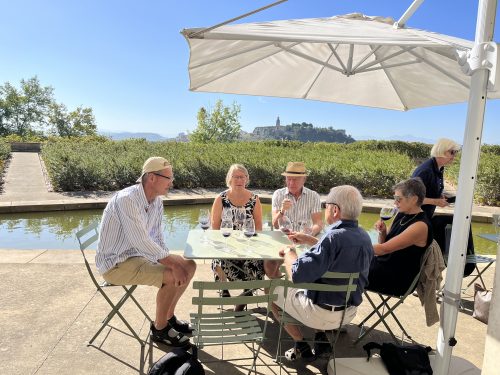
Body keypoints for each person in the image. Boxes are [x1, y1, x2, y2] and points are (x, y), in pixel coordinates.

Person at [96, 157, 196, 347]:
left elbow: (156, 237)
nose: (172, 182)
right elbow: (140, 240)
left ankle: (169, 318)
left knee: (189, 265)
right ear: (151, 178)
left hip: (136, 256)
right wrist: (172, 264)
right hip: (115, 264)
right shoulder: (127, 200)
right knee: (173, 274)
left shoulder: (156, 201)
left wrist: (174, 261)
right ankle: (159, 329)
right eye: (168, 177)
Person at [272, 185, 373, 361]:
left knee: (271, 289)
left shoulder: (332, 237)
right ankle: (320, 337)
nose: (324, 208)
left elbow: (296, 275)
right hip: (348, 312)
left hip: (319, 313)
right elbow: (339, 250)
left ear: (335, 210)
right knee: (321, 283)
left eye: (326, 205)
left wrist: (289, 252)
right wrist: (312, 240)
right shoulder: (363, 236)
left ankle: (300, 342)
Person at [210, 164, 263, 311]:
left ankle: (243, 299)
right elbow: (214, 228)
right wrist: (225, 243)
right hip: (226, 245)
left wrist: (251, 243)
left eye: (242, 176)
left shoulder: (254, 199)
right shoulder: (221, 199)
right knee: (218, 260)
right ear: (229, 179)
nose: (239, 179)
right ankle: (224, 288)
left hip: (248, 245)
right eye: (236, 176)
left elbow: (258, 228)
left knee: (259, 266)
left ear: (246, 179)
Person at [367, 177, 433, 296]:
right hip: (383, 266)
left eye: (398, 199)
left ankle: (340, 309)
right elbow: (384, 245)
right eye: (395, 199)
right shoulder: (401, 215)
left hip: (396, 277)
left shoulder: (420, 225)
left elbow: (383, 249)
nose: (395, 203)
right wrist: (383, 232)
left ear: (414, 199)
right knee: (347, 266)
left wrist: (352, 248)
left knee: (347, 269)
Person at [266, 161, 323, 278]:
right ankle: (279, 288)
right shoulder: (278, 194)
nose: (291, 183)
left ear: (304, 179)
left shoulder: (313, 196)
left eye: (295, 179)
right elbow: (275, 225)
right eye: (288, 179)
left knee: (312, 265)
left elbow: (318, 223)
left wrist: (308, 234)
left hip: (304, 241)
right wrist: (282, 211)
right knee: (269, 264)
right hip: (282, 239)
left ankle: (296, 291)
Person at [412, 138, 460, 220]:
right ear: (441, 150)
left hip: (423, 217)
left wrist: (439, 195)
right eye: (452, 152)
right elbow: (411, 198)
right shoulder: (425, 171)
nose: (454, 156)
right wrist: (436, 201)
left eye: (456, 152)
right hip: (413, 219)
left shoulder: (439, 168)